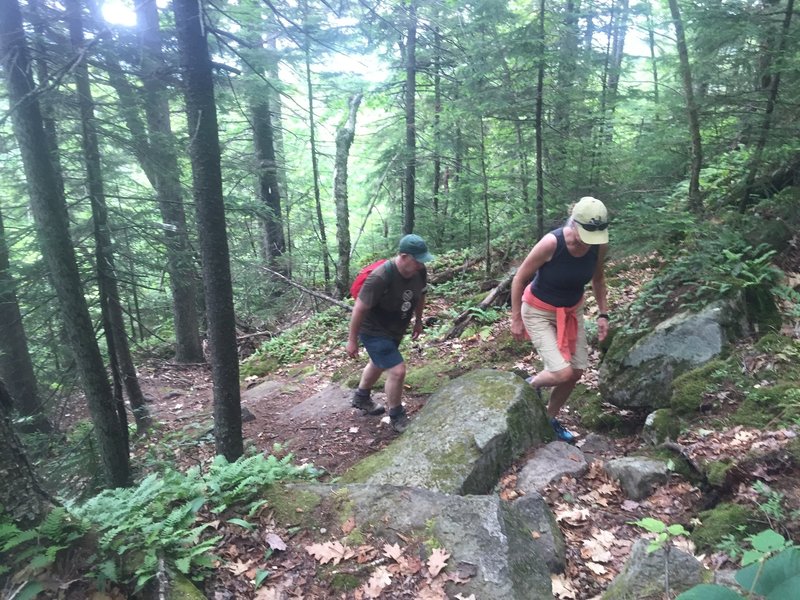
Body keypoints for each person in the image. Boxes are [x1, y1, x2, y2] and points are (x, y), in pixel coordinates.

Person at [510, 196, 610, 442]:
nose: (589, 243)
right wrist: (515, 318)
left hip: (571, 310)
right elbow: (519, 278)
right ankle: (527, 387)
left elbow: (598, 280)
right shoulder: (551, 243)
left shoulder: (599, 246)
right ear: (574, 224)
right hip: (538, 310)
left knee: (576, 372)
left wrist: (603, 313)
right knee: (562, 373)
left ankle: (549, 420)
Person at [346, 234, 432, 433]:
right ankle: (396, 416)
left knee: (378, 362)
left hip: (395, 327)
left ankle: (361, 397)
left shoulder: (420, 271)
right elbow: (359, 308)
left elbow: (421, 295)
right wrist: (352, 340)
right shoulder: (381, 276)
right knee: (397, 370)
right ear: (403, 256)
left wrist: (418, 321)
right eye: (417, 260)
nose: (420, 265)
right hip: (373, 329)